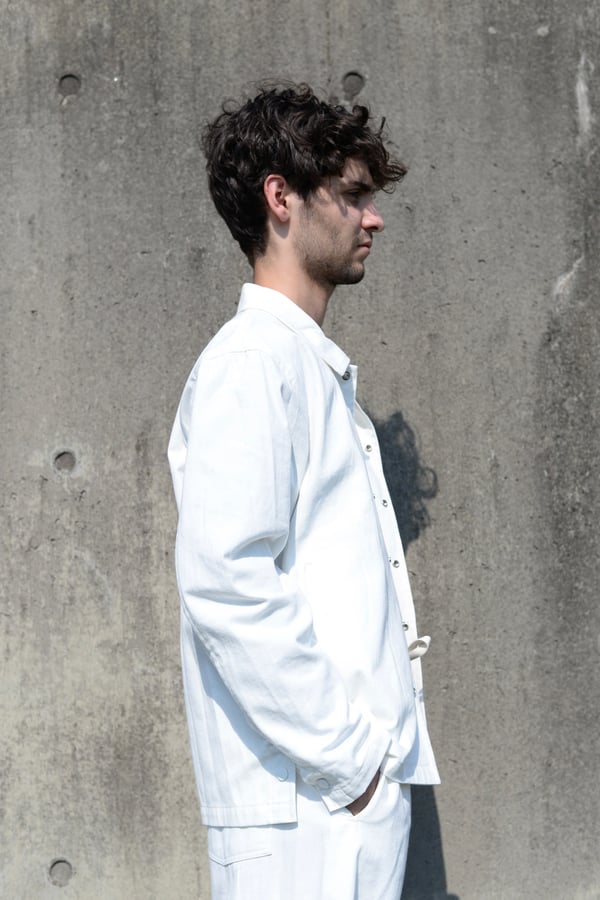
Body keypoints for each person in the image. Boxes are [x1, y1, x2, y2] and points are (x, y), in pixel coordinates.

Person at [168, 83, 439, 900]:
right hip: (304, 815)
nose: (373, 218)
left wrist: (370, 777)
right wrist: (355, 764)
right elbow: (226, 581)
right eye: (351, 195)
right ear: (280, 198)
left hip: (332, 806)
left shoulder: (301, 367)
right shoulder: (253, 364)